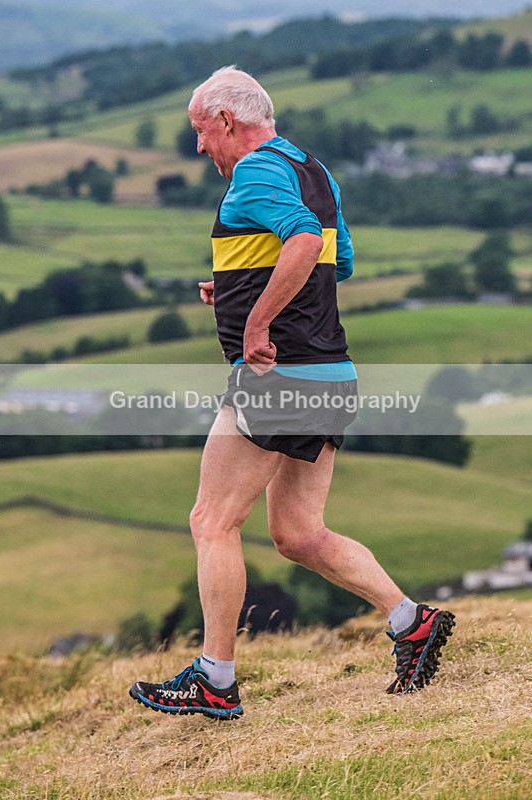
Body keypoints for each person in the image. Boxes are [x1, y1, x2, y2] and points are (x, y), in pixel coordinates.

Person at [129, 66, 455, 720]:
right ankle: (411, 623)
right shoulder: (314, 170)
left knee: (211, 521)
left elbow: (304, 241)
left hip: (281, 377)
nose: (200, 148)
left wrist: (255, 319)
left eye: (200, 131)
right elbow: (341, 260)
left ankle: (215, 679)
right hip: (331, 375)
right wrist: (242, 282)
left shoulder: (253, 171)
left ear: (226, 121)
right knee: (300, 535)